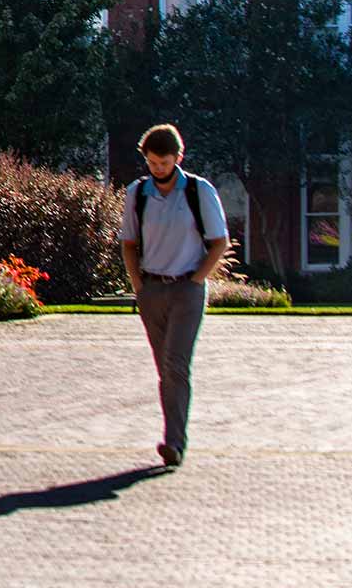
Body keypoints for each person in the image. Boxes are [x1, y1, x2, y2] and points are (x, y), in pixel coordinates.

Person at [116, 123, 230, 468]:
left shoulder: (199, 191)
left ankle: (174, 444)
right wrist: (138, 286)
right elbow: (129, 244)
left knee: (176, 366)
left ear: (178, 157)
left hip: (187, 291)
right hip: (152, 291)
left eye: (163, 164)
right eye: (152, 164)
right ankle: (173, 437)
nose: (158, 170)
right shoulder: (137, 194)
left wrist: (196, 280)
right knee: (164, 370)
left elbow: (219, 241)